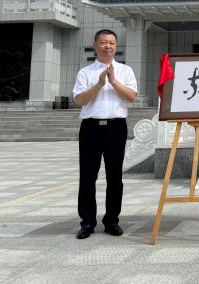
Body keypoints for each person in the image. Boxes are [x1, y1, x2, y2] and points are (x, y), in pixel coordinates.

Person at [72, 29, 137, 239]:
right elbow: (79, 100)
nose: (108, 46)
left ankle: (112, 221)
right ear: (95, 45)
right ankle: (87, 222)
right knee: (87, 176)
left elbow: (131, 97)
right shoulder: (85, 72)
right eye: (103, 42)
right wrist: (100, 84)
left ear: (116, 47)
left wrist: (114, 81)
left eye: (112, 43)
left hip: (116, 127)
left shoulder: (125, 70)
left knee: (115, 176)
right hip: (90, 128)